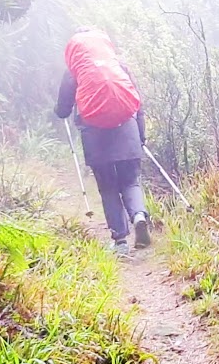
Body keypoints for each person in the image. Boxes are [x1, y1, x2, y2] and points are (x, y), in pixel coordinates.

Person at [55, 27, 152, 254]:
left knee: (108, 187)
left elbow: (62, 110)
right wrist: (141, 136)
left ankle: (120, 241)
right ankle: (138, 215)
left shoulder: (74, 72)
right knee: (131, 181)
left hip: (95, 134)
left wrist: (60, 110)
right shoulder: (118, 66)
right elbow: (137, 104)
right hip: (127, 130)